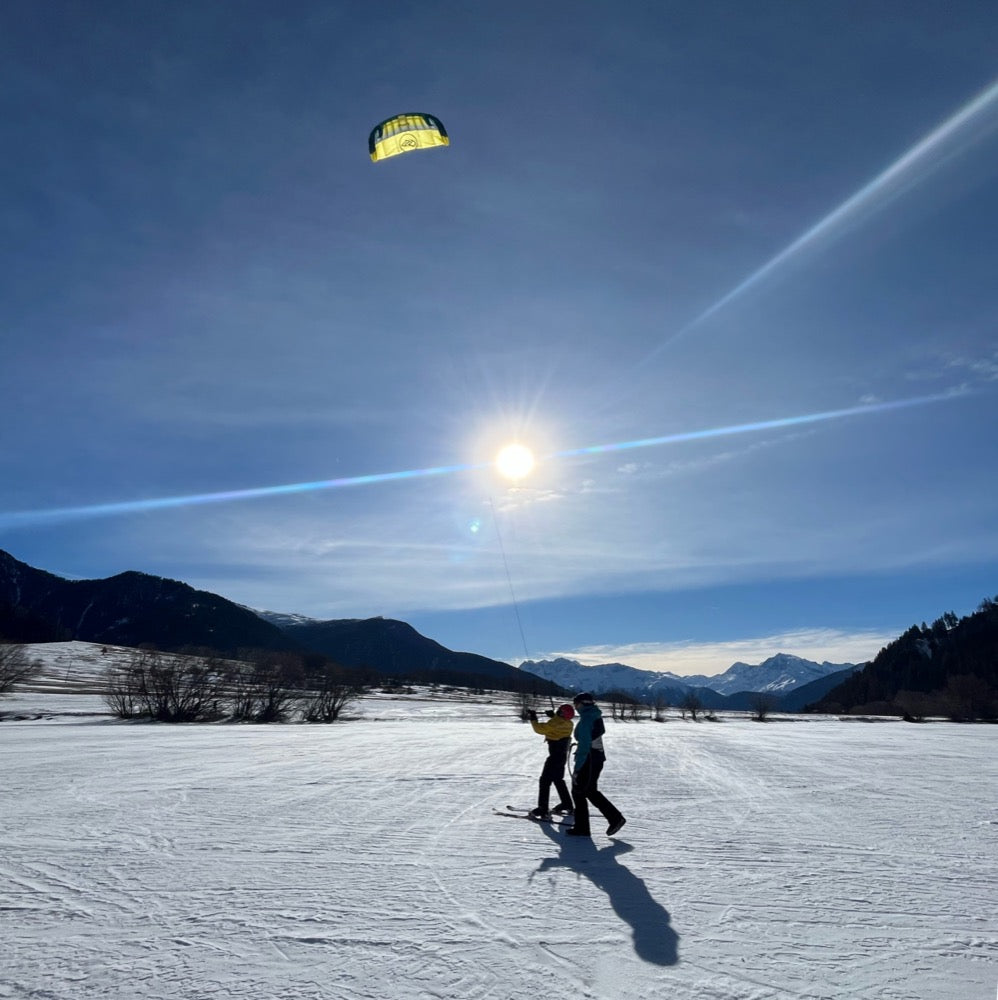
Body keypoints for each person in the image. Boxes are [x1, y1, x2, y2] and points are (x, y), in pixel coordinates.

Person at [567, 692, 626, 837]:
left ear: (582, 703)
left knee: (579, 791)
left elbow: (585, 745)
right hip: (596, 757)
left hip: (589, 758)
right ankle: (612, 819)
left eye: (576, 703)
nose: (575, 706)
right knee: (588, 790)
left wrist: (578, 767)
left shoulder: (587, 718)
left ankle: (586, 827)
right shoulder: (594, 715)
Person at [526, 704, 576, 820]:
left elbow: (539, 729)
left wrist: (533, 717)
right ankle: (567, 804)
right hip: (562, 755)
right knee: (558, 780)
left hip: (554, 756)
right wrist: (553, 716)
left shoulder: (556, 722)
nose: (558, 711)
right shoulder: (569, 723)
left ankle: (543, 809)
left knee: (544, 781)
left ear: (563, 713)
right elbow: (559, 723)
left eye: (560, 711)